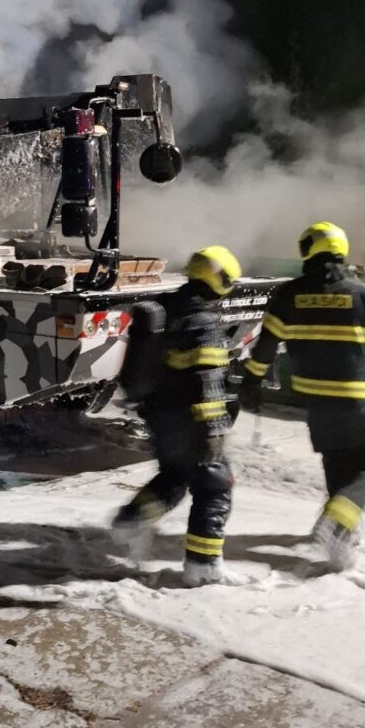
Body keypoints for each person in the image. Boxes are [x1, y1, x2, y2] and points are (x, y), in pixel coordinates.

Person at [241, 222, 365, 570]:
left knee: (335, 461)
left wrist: (251, 385)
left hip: (315, 400)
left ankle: (339, 531)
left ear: (306, 251)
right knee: (362, 470)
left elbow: (265, 348)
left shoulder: (288, 295)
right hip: (358, 399)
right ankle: (338, 524)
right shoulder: (363, 294)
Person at [113, 245, 242, 586]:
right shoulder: (203, 322)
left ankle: (131, 520)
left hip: (159, 416)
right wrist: (214, 428)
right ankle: (202, 567)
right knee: (215, 486)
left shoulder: (165, 309)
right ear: (221, 279)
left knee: (173, 477)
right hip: (192, 421)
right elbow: (208, 380)